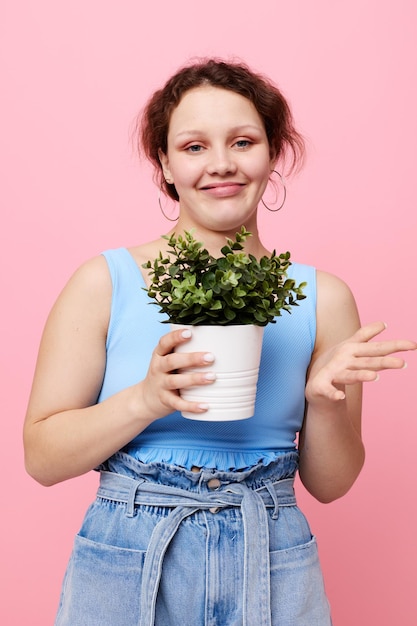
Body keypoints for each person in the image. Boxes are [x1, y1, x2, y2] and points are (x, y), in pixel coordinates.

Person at [24, 58, 416, 626]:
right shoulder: (104, 283)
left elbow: (330, 486)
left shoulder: (322, 299)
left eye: (242, 141)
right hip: (129, 554)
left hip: (272, 553)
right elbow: (41, 458)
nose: (222, 165)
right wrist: (146, 399)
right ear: (164, 161)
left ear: (273, 150)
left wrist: (325, 400)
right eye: (193, 147)